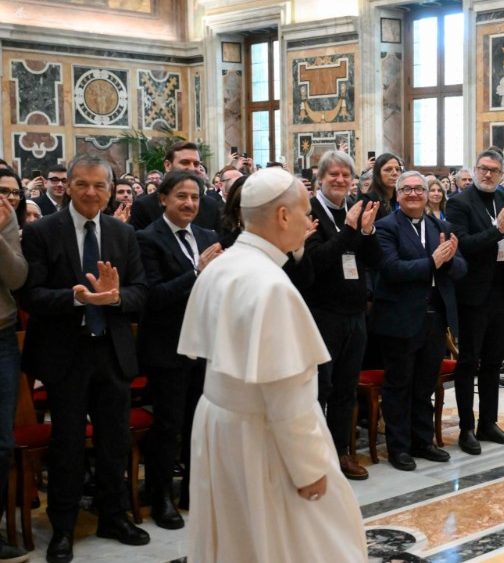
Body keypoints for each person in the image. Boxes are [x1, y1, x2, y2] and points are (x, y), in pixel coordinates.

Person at [178, 167, 367, 562]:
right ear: (282, 216)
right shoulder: (272, 286)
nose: (308, 221)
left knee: (237, 538)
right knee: (308, 540)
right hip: (262, 437)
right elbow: (287, 394)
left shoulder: (223, 265)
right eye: (303, 212)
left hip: (221, 424)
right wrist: (309, 468)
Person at [20, 155, 149, 563]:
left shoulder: (122, 234)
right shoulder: (42, 232)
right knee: (68, 444)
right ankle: (63, 527)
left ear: (111, 191)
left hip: (111, 353)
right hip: (65, 355)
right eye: (82, 184)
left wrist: (115, 298)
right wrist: (75, 297)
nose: (91, 192)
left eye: (99, 185)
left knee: (113, 440)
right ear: (68, 186)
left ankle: (113, 515)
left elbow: (141, 293)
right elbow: (30, 295)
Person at [136, 170, 222, 529]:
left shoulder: (208, 235)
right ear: (163, 199)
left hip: (204, 344)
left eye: (194, 198)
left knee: (197, 424)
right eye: (181, 197)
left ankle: (192, 491)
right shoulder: (147, 239)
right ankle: (161, 498)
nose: (189, 203)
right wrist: (198, 272)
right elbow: (153, 297)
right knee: (168, 425)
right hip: (167, 346)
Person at [295, 150, 382, 481]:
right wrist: (349, 231)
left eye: (346, 175)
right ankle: (316, 457)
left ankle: (342, 451)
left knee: (346, 387)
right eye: (333, 175)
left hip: (355, 312)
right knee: (321, 388)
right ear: (320, 178)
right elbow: (316, 261)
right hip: (322, 313)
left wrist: (368, 232)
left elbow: (373, 260)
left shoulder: (354, 209)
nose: (341, 180)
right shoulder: (310, 212)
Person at [372, 171, 466, 471]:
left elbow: (461, 268)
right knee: (399, 385)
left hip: (434, 317)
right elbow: (390, 269)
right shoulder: (385, 228)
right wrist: (432, 262)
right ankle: (399, 447)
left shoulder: (440, 225)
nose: (413, 194)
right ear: (397, 195)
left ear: (427, 195)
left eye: (419, 189)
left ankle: (422, 441)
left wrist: (449, 259)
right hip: (399, 318)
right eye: (407, 189)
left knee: (425, 383)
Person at [446, 149, 504, 456]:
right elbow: (463, 245)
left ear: (500, 172)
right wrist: (497, 231)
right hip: (472, 294)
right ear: (475, 169)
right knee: (469, 362)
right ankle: (466, 428)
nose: (488, 174)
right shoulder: (459, 202)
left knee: (495, 361)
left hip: (501, 291)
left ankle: (489, 423)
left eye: (494, 170)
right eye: (483, 169)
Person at [0, 168, 29, 563]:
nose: (7, 200)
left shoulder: (7, 224)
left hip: (2, 335)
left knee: (2, 443)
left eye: (12, 193)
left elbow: (16, 276)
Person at [129, 142, 222, 231]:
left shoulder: (211, 206)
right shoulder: (144, 206)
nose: (192, 168)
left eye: (196, 164)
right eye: (185, 162)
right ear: (168, 165)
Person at [361, 152, 403, 220]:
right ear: (378, 174)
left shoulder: (401, 198)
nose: (395, 173)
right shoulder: (368, 201)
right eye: (388, 170)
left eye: (397, 169)